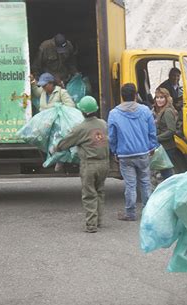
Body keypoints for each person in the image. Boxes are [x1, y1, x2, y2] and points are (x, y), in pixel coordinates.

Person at [55, 96, 109, 233]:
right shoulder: (103, 124)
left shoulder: (81, 128)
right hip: (104, 163)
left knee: (89, 194)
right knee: (100, 192)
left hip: (89, 165)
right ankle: (99, 221)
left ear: (82, 111)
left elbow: (65, 143)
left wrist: (56, 148)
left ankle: (91, 225)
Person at [107, 83, 158, 221]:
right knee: (145, 183)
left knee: (130, 185)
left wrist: (115, 151)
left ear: (122, 96)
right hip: (143, 153)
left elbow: (112, 136)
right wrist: (152, 146)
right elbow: (152, 131)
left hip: (125, 155)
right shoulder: (146, 111)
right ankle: (148, 212)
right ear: (135, 95)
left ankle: (130, 213)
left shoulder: (114, 113)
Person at [152, 88, 178, 179]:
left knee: (167, 175)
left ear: (166, 98)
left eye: (162, 97)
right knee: (165, 173)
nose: (159, 100)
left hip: (167, 147)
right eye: (157, 97)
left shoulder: (167, 111)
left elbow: (171, 130)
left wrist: (156, 138)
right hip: (164, 147)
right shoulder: (160, 110)